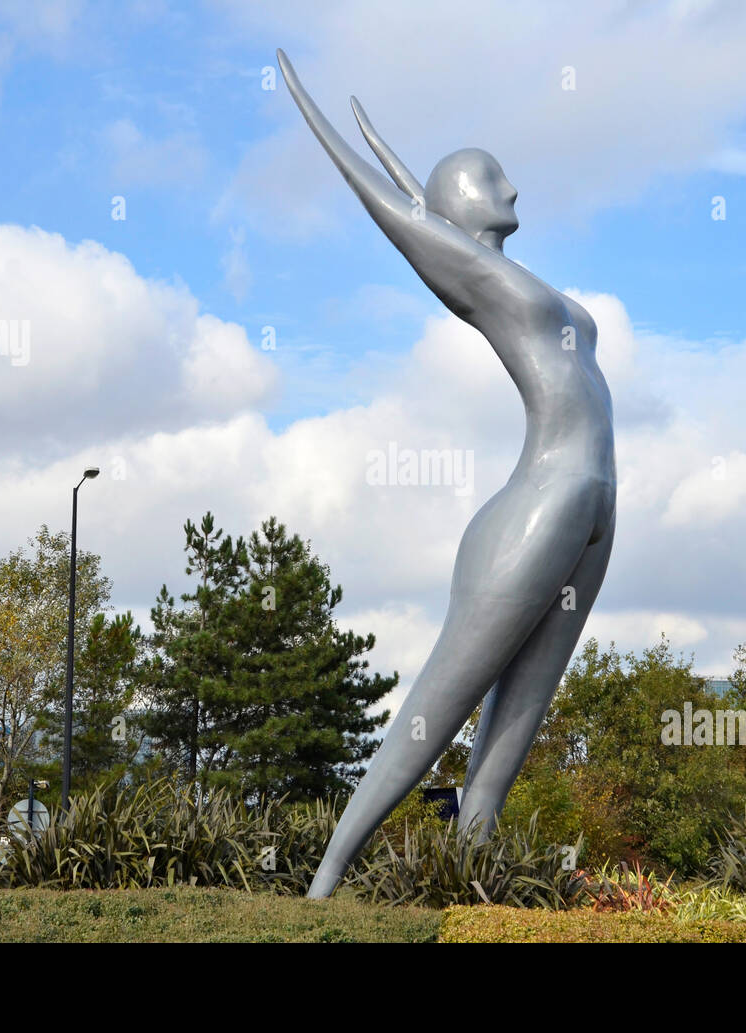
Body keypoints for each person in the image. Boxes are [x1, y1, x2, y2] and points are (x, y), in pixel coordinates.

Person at [278, 51, 617, 899]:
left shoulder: (513, 275)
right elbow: (398, 211)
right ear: (467, 199)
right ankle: (325, 881)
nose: (515, 191)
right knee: (438, 710)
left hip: (597, 502)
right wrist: (318, 115)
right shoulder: (479, 280)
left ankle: (475, 880)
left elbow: (418, 202)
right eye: (495, 178)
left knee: (518, 720)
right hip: (540, 504)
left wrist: (403, 165)